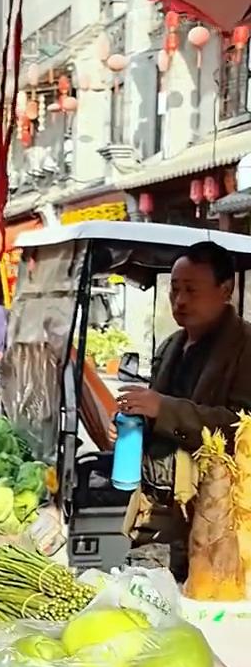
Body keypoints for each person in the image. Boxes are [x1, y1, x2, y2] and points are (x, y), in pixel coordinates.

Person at [118, 240, 251, 580]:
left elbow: (243, 429)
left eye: (191, 290)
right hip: (159, 511)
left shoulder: (245, 348)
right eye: (174, 289)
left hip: (218, 519)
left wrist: (164, 408)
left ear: (226, 289)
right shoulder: (170, 346)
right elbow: (159, 418)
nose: (180, 300)